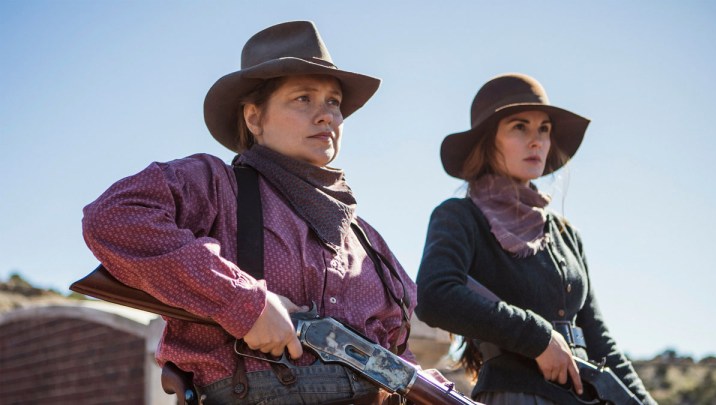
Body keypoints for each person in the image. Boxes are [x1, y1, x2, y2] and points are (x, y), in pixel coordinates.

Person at [82, 21, 416, 405]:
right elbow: (112, 217)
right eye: (303, 98)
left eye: (333, 102)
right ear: (254, 118)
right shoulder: (215, 185)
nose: (326, 116)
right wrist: (245, 303)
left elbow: (397, 350)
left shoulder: (367, 241)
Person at [414, 73, 656, 404]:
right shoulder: (459, 216)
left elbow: (600, 341)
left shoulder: (565, 234)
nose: (537, 141)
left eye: (544, 129)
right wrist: (539, 338)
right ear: (489, 141)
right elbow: (435, 295)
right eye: (520, 127)